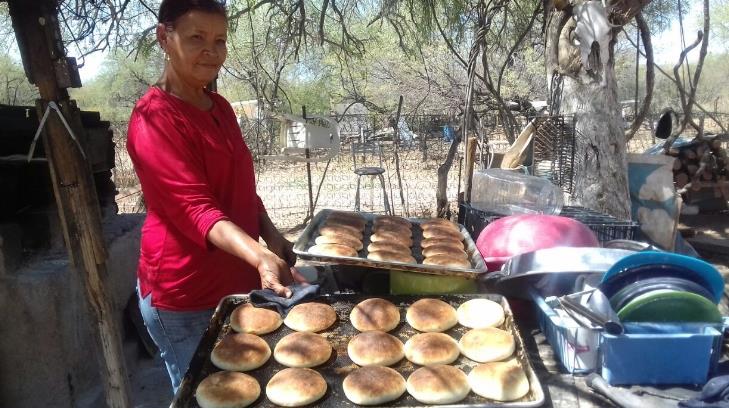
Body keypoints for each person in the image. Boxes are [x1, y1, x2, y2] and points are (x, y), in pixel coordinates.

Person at [126, 0, 307, 394]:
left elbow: (241, 188)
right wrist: (260, 255)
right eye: (197, 38)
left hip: (236, 283)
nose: (212, 51)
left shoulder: (221, 107)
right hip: (186, 294)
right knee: (206, 394)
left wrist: (272, 238)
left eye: (220, 40)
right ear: (164, 37)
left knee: (245, 389)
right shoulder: (153, 119)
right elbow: (195, 209)